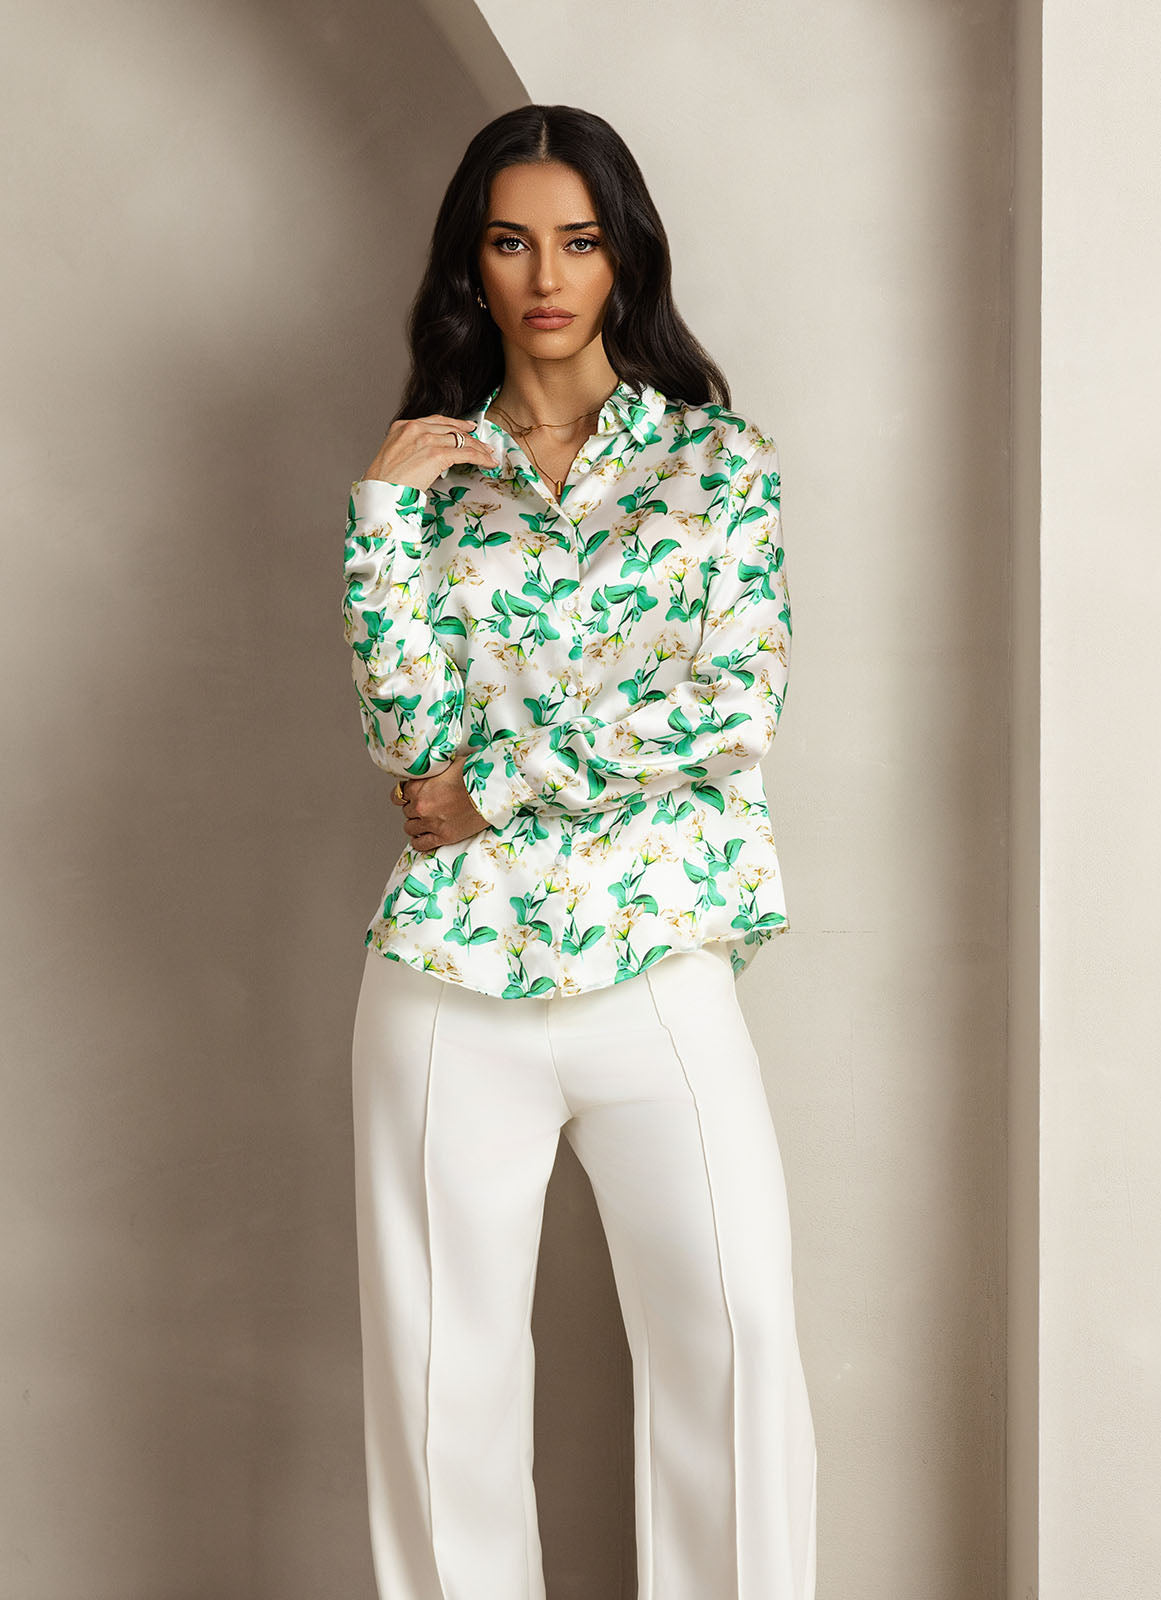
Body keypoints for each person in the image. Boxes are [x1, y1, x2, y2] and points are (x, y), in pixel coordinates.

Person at [341, 103, 817, 1600]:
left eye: (580, 240)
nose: (546, 276)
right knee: (443, 1386)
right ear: (470, 265)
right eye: (511, 241)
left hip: (655, 955)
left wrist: (505, 785)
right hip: (450, 974)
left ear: (624, 258)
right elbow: (408, 752)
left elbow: (730, 708)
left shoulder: (718, 464)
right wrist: (378, 522)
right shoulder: (428, 481)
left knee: (735, 1336)